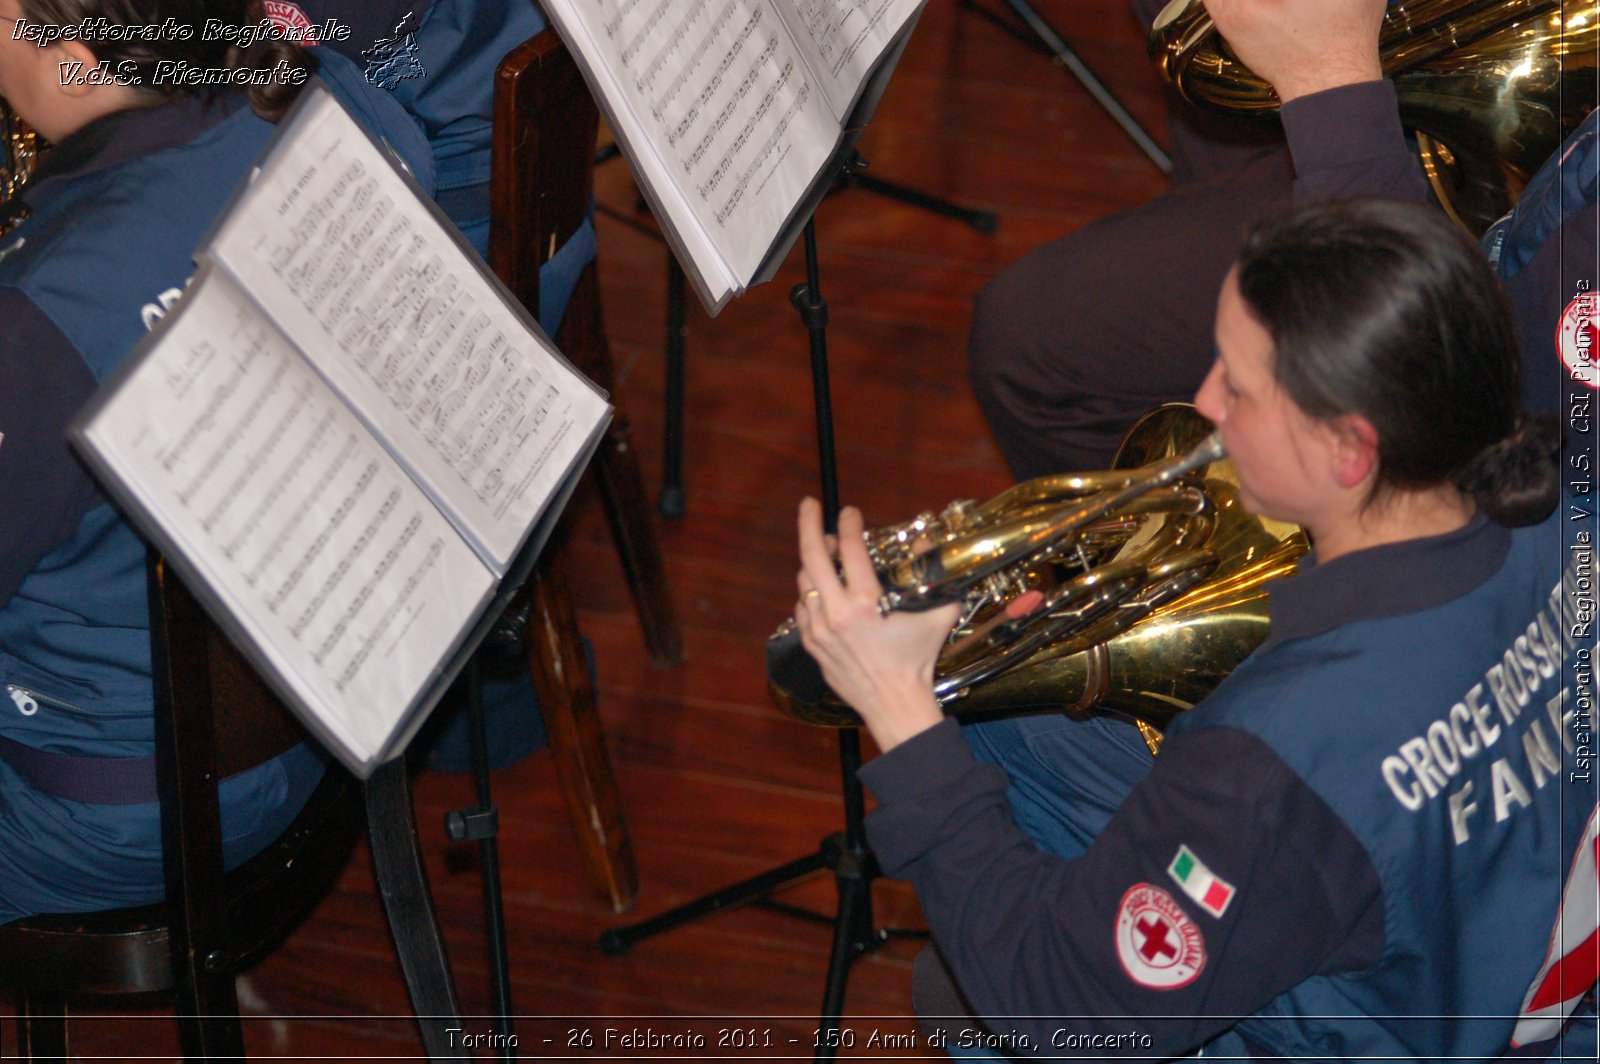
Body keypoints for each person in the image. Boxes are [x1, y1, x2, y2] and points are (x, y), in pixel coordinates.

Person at [793, 198, 1596, 1058]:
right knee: (1014, 722)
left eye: (1238, 387)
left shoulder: (1272, 764)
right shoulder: (1567, 515)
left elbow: (1060, 1003)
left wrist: (899, 711)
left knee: (964, 995)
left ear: (1351, 452)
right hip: (1480, 934)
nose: (1205, 399)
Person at [0, 0, 433, 924]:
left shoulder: (43, 323)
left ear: (71, 54)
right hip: (328, 704)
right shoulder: (341, 103)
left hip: (112, 812)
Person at [969, 0, 1596, 481]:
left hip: (1446, 285)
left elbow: (1465, 419)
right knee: (1199, 35)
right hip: (1514, 161)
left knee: (1026, 347)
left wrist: (1327, 77)